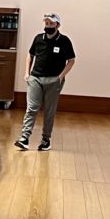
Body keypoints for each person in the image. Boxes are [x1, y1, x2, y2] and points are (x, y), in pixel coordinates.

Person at [15, 13, 76, 152]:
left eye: (51, 24)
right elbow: (30, 55)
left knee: (49, 111)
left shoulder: (64, 41)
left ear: (57, 25)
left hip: (54, 80)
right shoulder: (38, 38)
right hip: (35, 78)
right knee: (32, 108)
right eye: (46, 23)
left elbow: (71, 60)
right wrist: (27, 73)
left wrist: (60, 77)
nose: (48, 26)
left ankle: (46, 140)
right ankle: (24, 138)